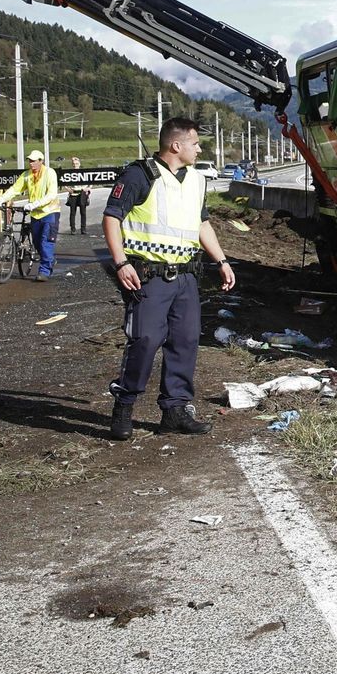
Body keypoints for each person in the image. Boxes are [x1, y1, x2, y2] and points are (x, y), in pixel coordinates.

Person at [103, 117, 235, 440]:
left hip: (187, 277)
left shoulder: (197, 180)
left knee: (186, 341)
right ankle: (124, 405)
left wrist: (222, 260)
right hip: (149, 277)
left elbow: (202, 224)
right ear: (176, 145)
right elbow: (111, 218)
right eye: (195, 143)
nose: (199, 148)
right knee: (145, 340)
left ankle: (175, 410)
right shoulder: (139, 175)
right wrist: (121, 263)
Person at [0, 149, 61, 281]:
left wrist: (35, 204)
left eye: (33, 161)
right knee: (37, 243)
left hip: (50, 212)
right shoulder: (27, 175)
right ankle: (50, 259)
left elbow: (52, 194)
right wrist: (1, 199)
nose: (31, 163)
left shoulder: (50, 173)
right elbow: (15, 189)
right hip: (35, 215)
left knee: (45, 242)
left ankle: (44, 272)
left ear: (41, 161)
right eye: (29, 161)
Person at [66, 156, 91, 234]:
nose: (75, 165)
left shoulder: (84, 173)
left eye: (76, 163)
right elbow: (63, 182)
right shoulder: (69, 173)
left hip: (82, 194)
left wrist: (88, 188)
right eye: (74, 164)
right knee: (72, 213)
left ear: (79, 164)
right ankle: (73, 229)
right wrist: (68, 189)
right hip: (73, 194)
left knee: (83, 212)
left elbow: (91, 182)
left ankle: (83, 229)